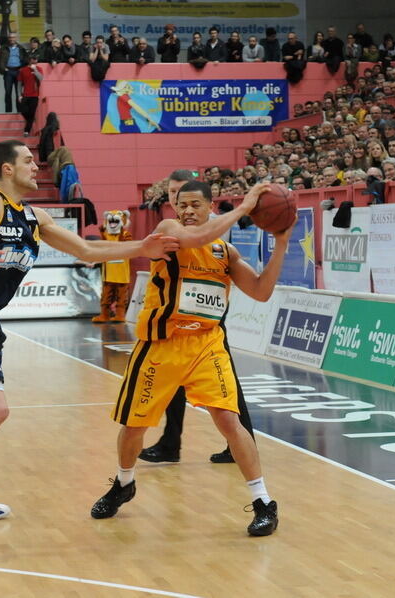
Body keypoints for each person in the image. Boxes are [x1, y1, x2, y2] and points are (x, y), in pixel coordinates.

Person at [0, 139, 179, 561]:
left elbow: (88, 250)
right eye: (27, 160)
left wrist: (142, 249)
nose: (36, 165)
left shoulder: (34, 217)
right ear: (5, 169)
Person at [90, 179, 288, 538]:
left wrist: (282, 242)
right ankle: (124, 482)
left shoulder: (225, 252)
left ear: (211, 206)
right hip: (161, 345)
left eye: (196, 205)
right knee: (135, 426)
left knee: (229, 420)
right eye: (182, 205)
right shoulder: (169, 231)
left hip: (206, 344)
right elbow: (193, 238)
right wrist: (244, 208)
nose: (187, 211)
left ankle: (263, 502)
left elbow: (261, 291)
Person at [139, 169, 258, 465]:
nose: (183, 205)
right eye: (175, 196)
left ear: (208, 203)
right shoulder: (173, 225)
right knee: (175, 386)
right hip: (180, 319)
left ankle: (241, 442)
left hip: (207, 317)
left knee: (226, 386)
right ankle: (171, 442)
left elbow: (202, 241)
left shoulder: (213, 228)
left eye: (189, 198)